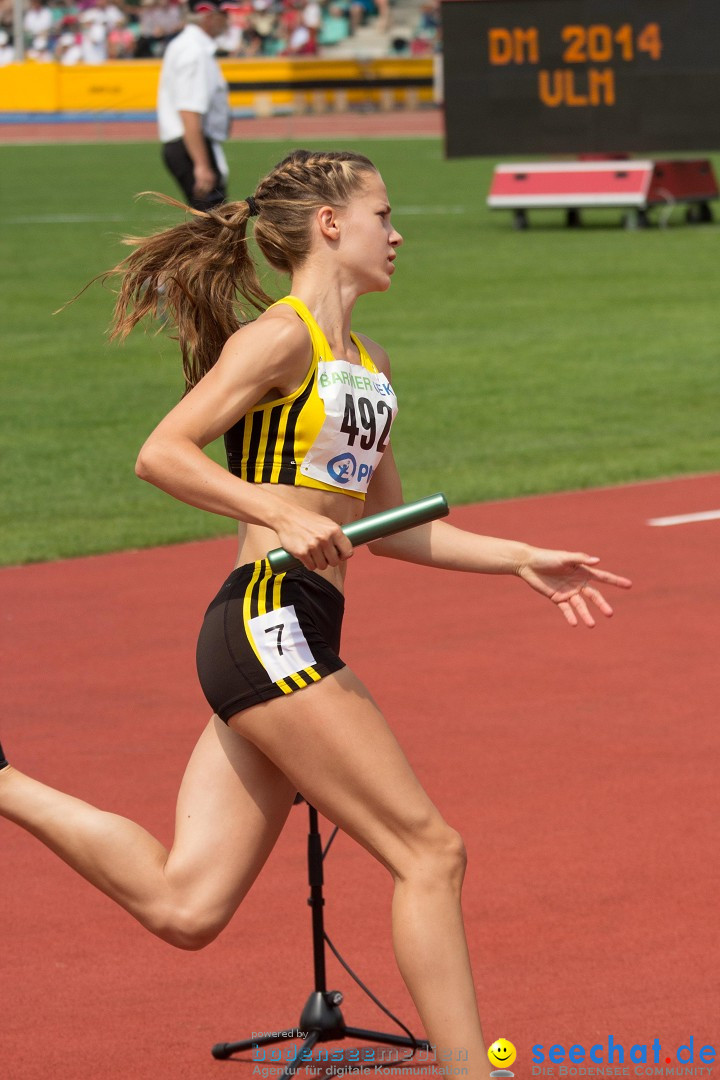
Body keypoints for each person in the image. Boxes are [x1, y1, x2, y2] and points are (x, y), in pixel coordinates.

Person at [0, 149, 631, 1078]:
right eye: (384, 214)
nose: (398, 232)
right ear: (331, 225)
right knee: (430, 851)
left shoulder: (368, 366)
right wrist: (276, 508)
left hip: (285, 631)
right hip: (267, 620)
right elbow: (161, 453)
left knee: (187, 906)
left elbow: (388, 529)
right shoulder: (279, 338)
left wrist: (520, 558)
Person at [157, 0, 231, 211]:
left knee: (212, 227)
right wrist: (201, 164)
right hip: (191, 145)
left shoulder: (186, 45)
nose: (228, 20)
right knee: (216, 229)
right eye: (224, 13)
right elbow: (189, 110)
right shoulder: (194, 51)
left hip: (188, 144)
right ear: (207, 16)